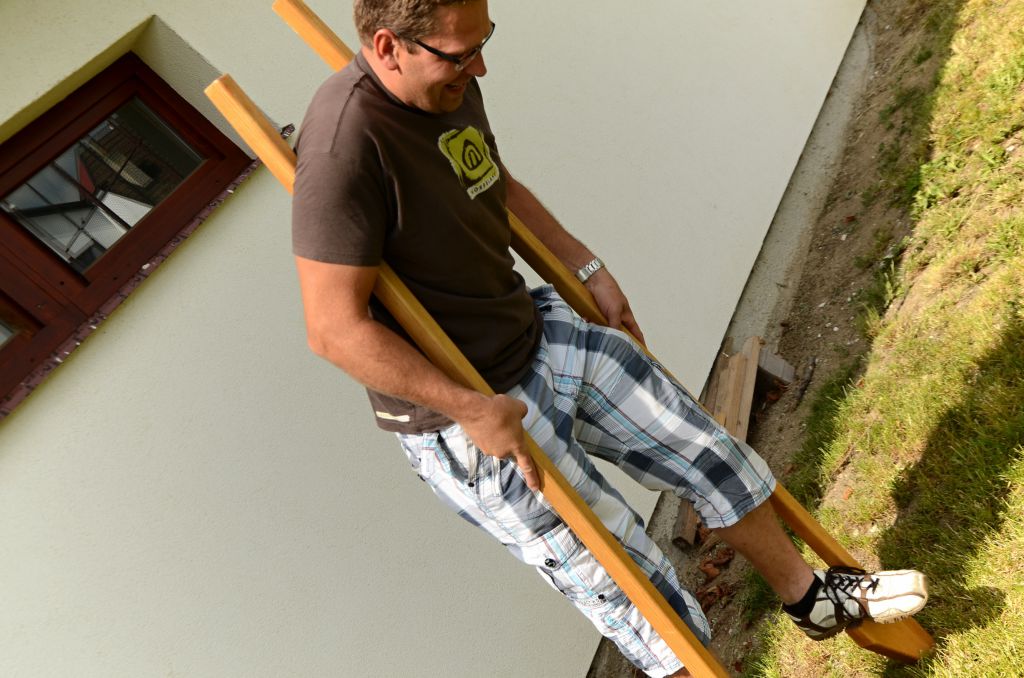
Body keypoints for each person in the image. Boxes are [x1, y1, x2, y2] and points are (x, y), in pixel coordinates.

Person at [290, 1, 928, 675]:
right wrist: (469, 409)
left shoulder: (447, 84)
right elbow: (333, 329)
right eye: (461, 54)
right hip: (467, 413)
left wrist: (583, 266)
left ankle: (813, 600)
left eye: (484, 42)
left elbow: (492, 183)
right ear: (389, 47)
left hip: (531, 331)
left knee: (702, 449)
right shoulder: (340, 150)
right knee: (629, 579)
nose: (480, 68)